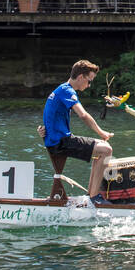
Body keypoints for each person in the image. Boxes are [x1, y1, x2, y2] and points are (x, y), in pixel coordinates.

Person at [41, 60, 114, 204]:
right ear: (80, 77)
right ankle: (94, 198)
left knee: (101, 147)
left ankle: (91, 195)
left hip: (57, 140)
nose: (89, 85)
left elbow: (49, 116)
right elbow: (83, 115)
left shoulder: (61, 89)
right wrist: (101, 132)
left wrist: (43, 131)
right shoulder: (67, 91)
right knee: (106, 149)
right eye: (89, 81)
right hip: (60, 143)